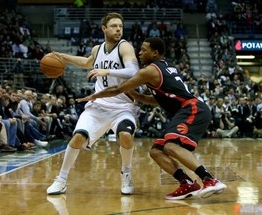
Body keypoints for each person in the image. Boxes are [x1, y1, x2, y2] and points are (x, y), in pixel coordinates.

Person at [77, 37, 227, 200]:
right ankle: (186, 183)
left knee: (170, 147)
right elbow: (158, 100)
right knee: (156, 151)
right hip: (188, 110)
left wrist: (94, 96)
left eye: (143, 49)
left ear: (155, 53)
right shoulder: (166, 66)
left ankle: (209, 179)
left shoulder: (149, 71)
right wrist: (136, 95)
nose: (139, 53)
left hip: (192, 109)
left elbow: (118, 89)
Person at [47, 12, 139, 195]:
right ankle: (61, 179)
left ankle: (126, 174)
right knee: (77, 137)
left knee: (126, 136)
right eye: (114, 26)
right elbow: (87, 63)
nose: (118, 29)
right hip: (98, 106)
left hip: (123, 108)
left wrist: (108, 72)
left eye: (120, 26)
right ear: (104, 28)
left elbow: (133, 71)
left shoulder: (125, 47)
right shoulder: (97, 49)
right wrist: (64, 57)